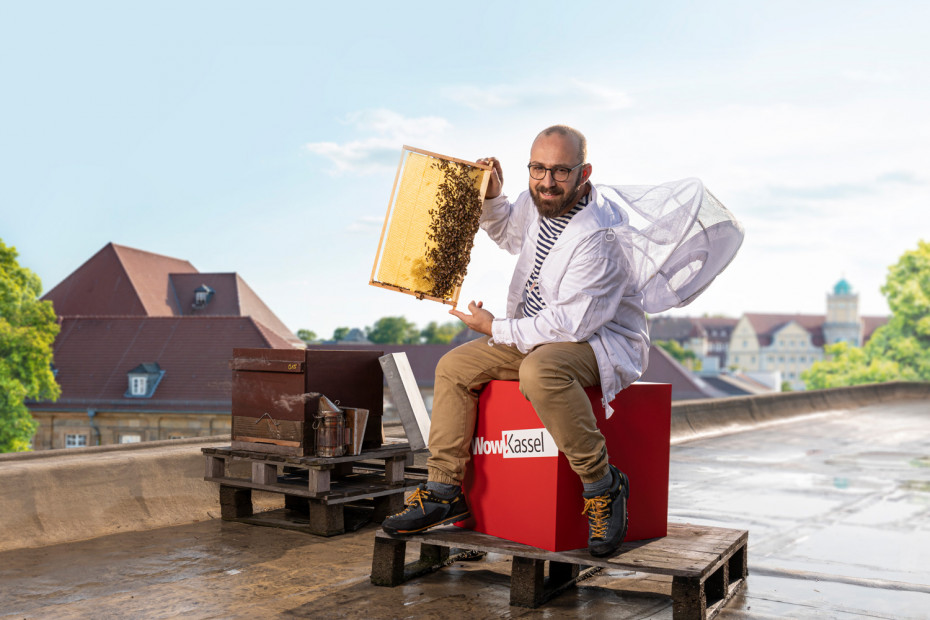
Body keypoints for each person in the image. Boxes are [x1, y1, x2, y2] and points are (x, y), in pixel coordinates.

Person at [382, 125, 650, 558]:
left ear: (584, 173)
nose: (547, 182)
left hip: (597, 338)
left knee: (540, 372)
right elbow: (510, 234)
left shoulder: (601, 237)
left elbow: (571, 326)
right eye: (538, 169)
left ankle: (603, 486)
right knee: (453, 368)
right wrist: (492, 197)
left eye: (560, 171)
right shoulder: (539, 200)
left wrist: (496, 328)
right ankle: (444, 491)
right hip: (537, 330)